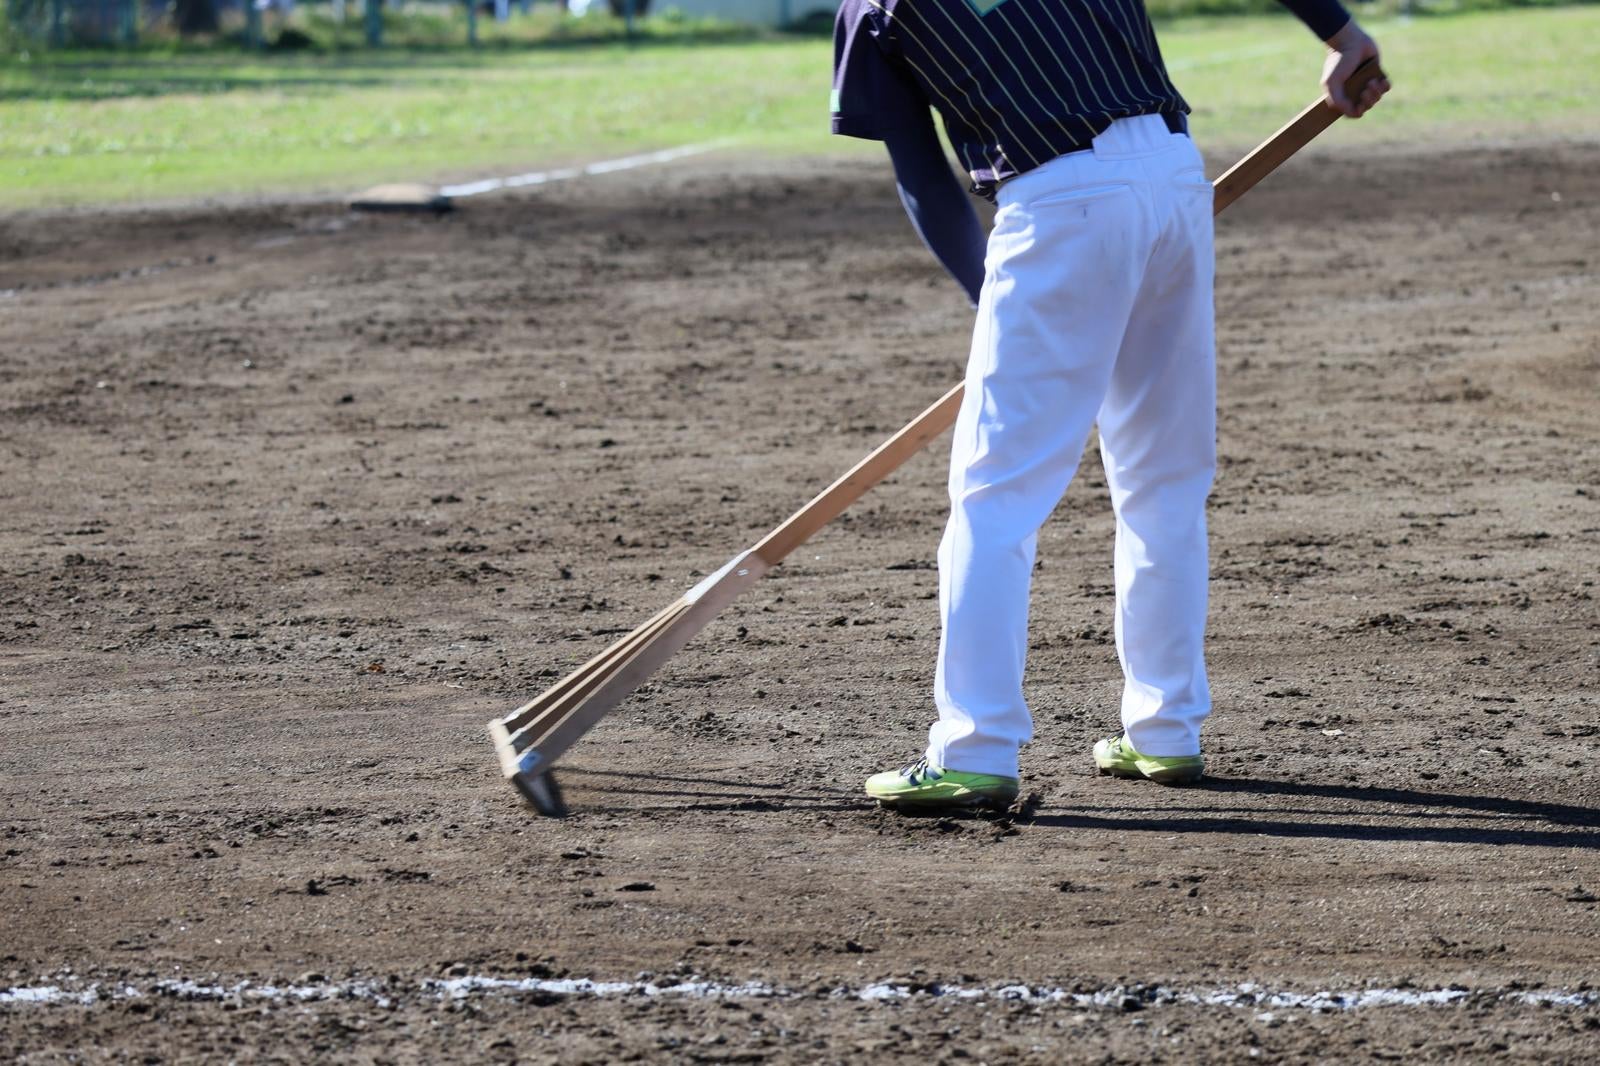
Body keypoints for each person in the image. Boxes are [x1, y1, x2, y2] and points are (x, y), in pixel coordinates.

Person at [832, 0, 1388, 809]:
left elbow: (922, 174)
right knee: (1164, 479)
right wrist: (1339, 32)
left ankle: (975, 747)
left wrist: (993, 300)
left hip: (1057, 205)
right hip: (1173, 175)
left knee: (996, 497)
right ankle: (1166, 732)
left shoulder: (871, 6)